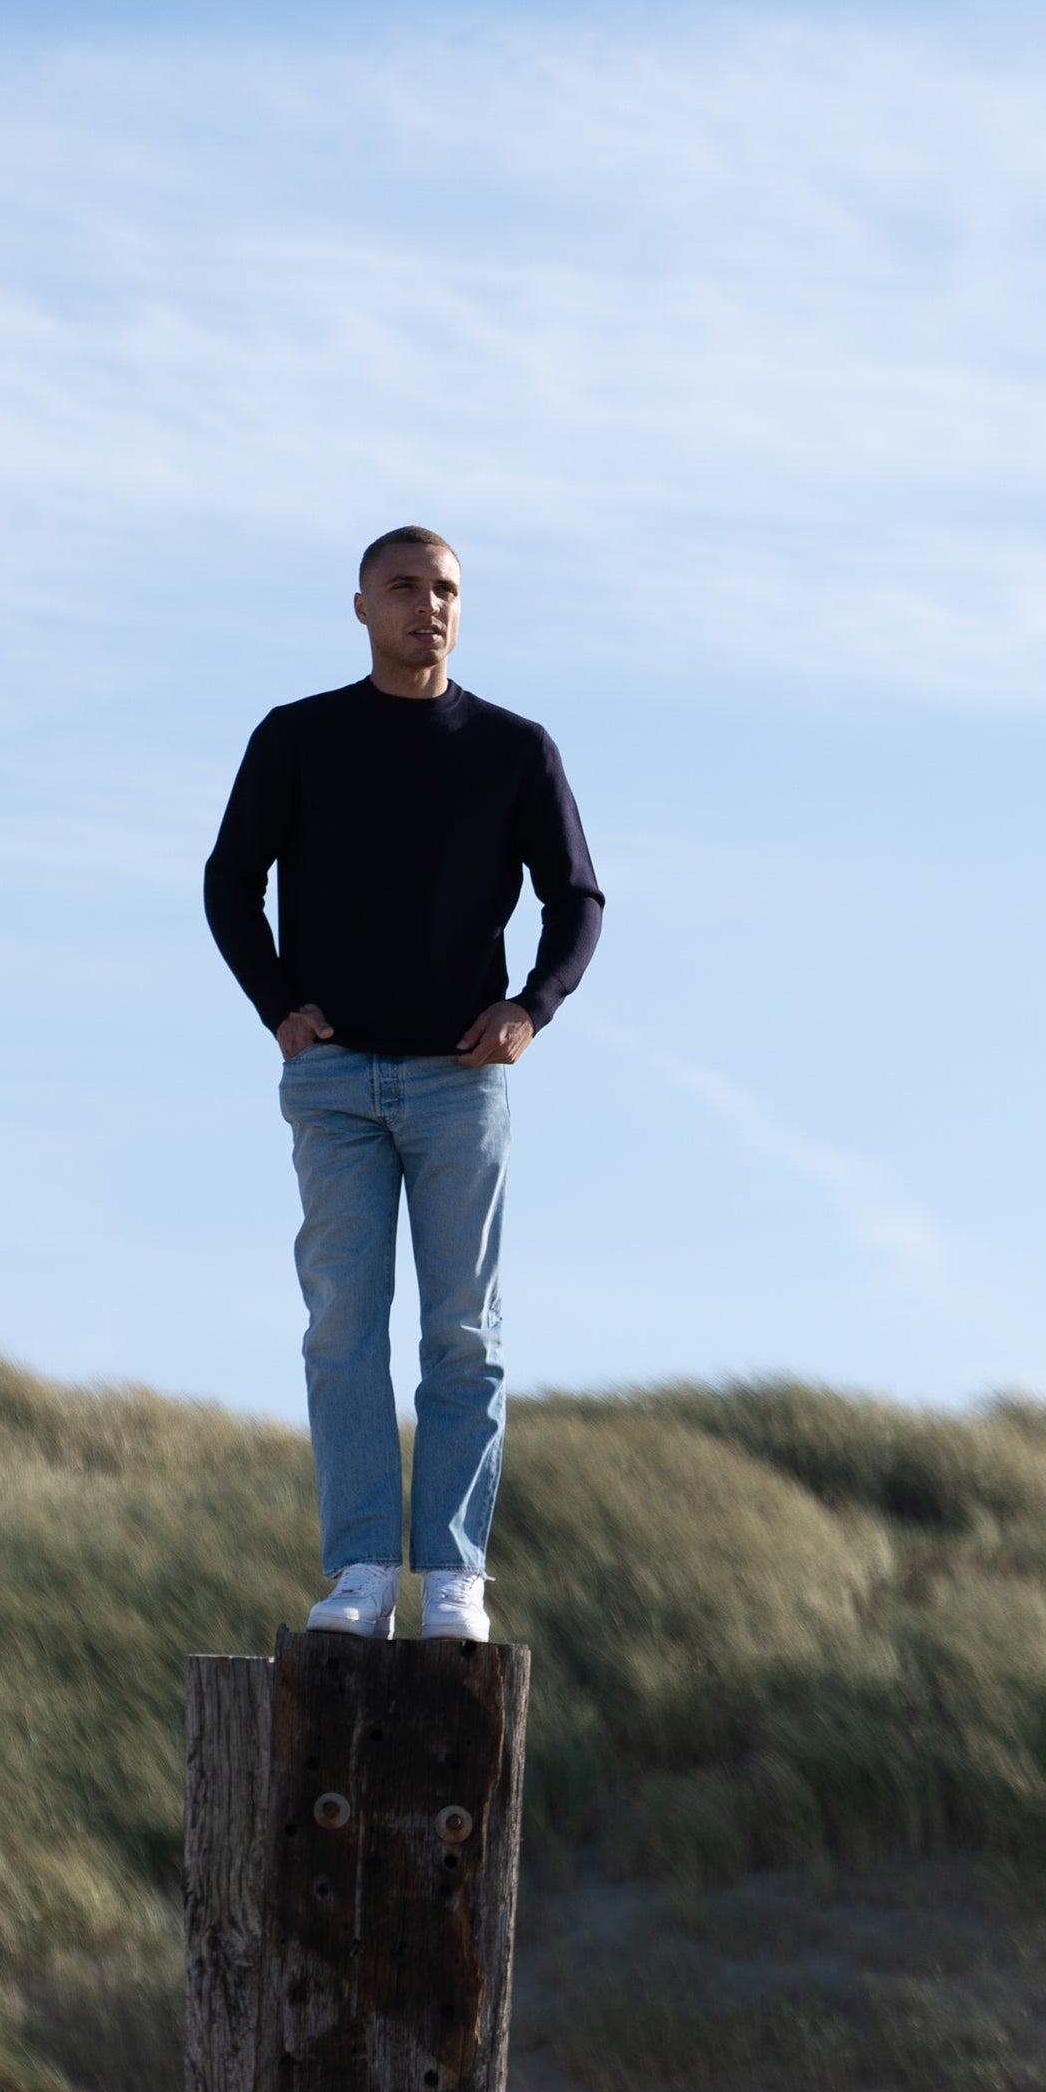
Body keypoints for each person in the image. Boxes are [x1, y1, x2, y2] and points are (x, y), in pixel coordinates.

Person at [203, 526, 604, 1641]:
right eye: (403, 589)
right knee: (341, 1326)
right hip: (331, 1082)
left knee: (463, 1332)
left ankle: (456, 1582)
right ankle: (363, 1576)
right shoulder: (296, 738)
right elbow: (230, 883)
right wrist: (279, 1009)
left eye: (445, 590)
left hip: (460, 1084)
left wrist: (531, 1008)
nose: (427, 606)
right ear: (361, 607)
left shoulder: (513, 749)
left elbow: (576, 899)